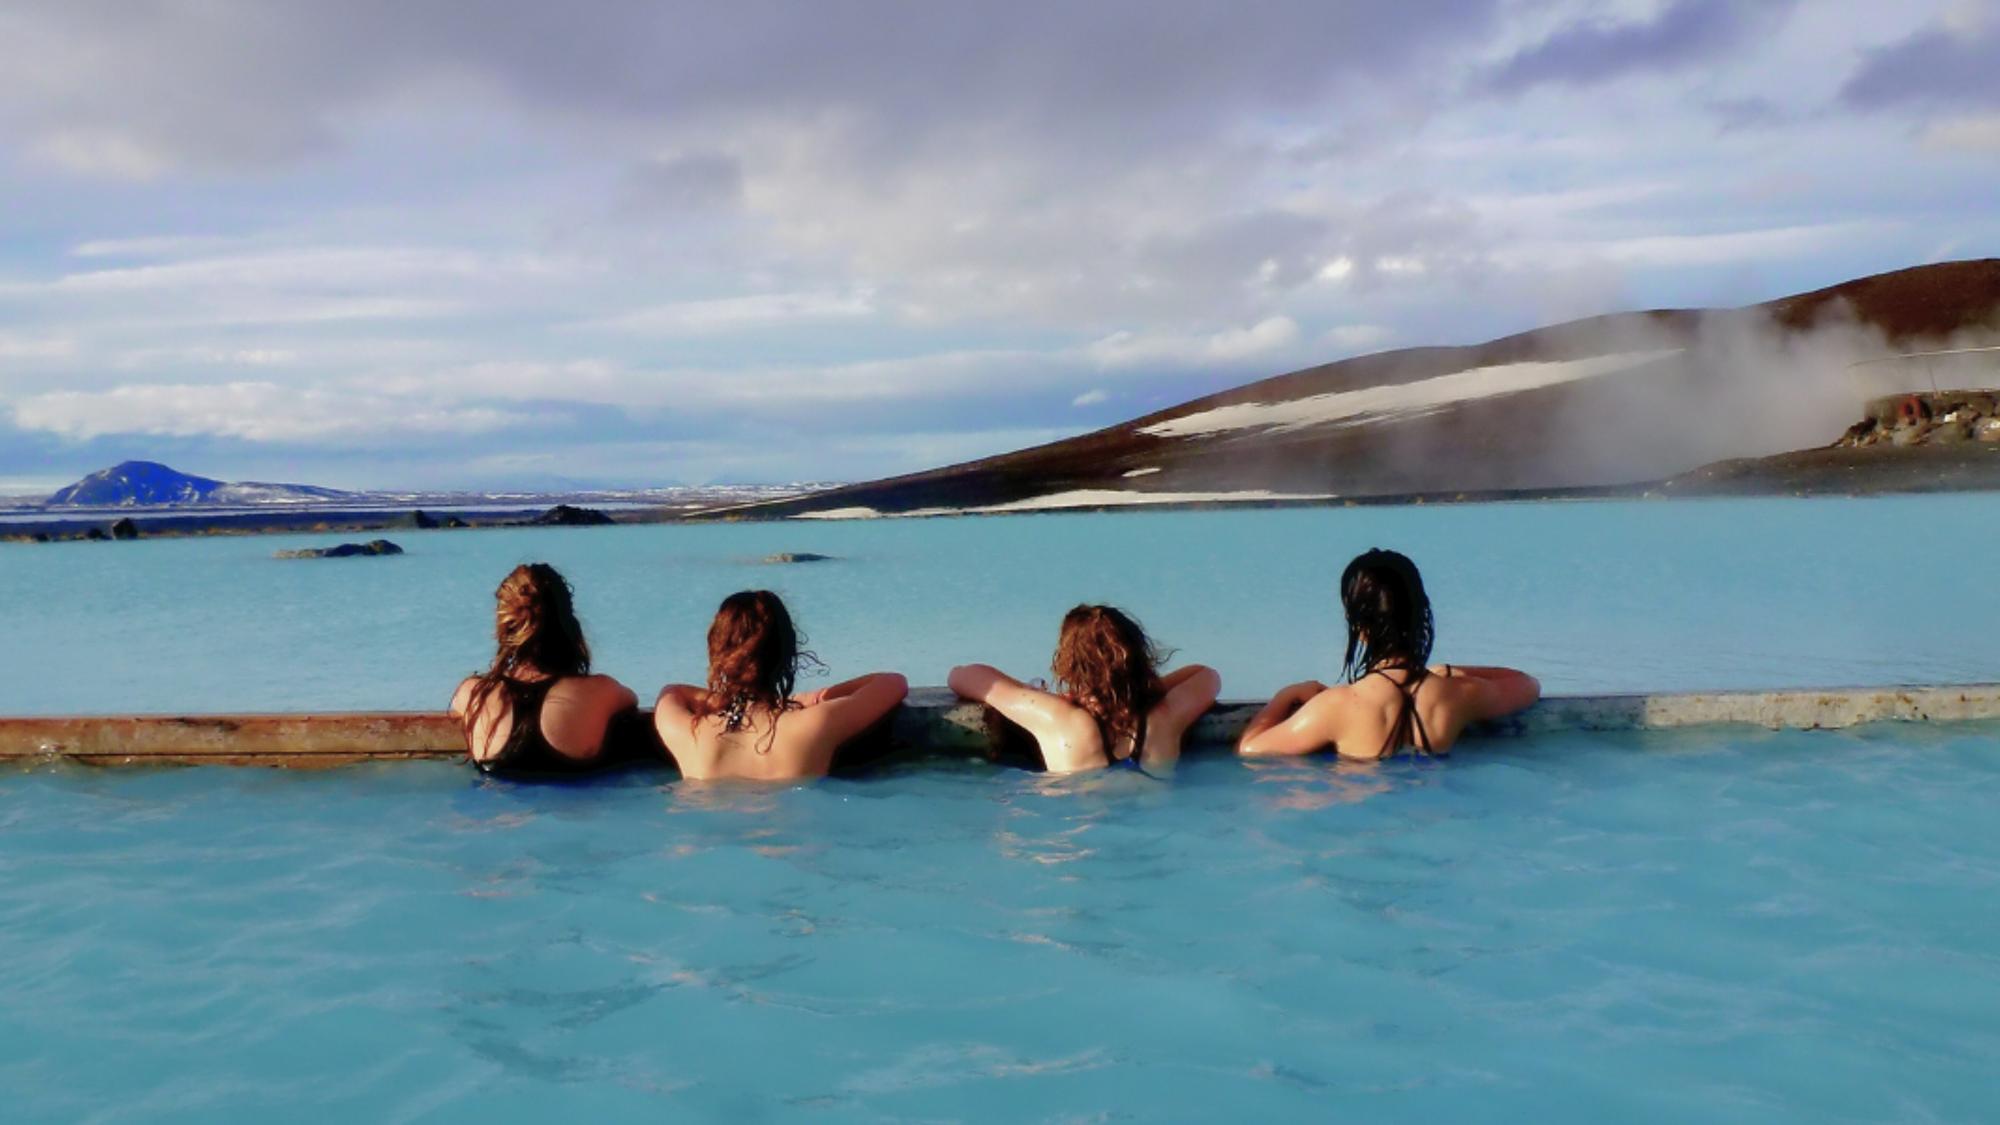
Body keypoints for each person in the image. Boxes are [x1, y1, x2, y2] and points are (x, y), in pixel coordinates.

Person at [1237, 549, 1539, 760]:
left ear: (1360, 629)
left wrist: (1286, 695)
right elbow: (1526, 685)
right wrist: (1449, 671)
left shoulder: (1335, 706)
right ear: (1420, 616)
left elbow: (1250, 749)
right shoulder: (1457, 695)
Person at [653, 590, 909, 781]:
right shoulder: (814, 724)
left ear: (716, 650)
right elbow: (893, 682)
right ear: (787, 653)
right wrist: (815, 698)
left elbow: (672, 691)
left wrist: (721, 699)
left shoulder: (687, 733)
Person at [949, 605, 1221, 774]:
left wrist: (1032, 694)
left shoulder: (1056, 717)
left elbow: (962, 675)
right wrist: (1138, 692)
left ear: (1068, 665)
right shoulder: (1164, 718)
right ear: (1141, 657)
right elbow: (1206, 675)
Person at [451, 563, 651, 775]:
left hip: (493, 804)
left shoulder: (473, 693)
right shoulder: (598, 690)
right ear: (567, 623)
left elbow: (459, 705)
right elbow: (630, 700)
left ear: (504, 623)